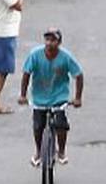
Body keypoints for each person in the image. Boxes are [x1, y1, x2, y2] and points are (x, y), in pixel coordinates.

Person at [19, 28, 84, 166]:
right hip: (39, 97)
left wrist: (77, 98)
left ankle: (61, 151)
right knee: (38, 125)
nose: (49, 43)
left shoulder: (66, 57)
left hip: (59, 97)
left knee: (61, 124)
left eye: (53, 40)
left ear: (59, 42)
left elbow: (78, 75)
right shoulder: (35, 55)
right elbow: (26, 74)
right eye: (47, 40)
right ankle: (38, 152)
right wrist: (23, 95)